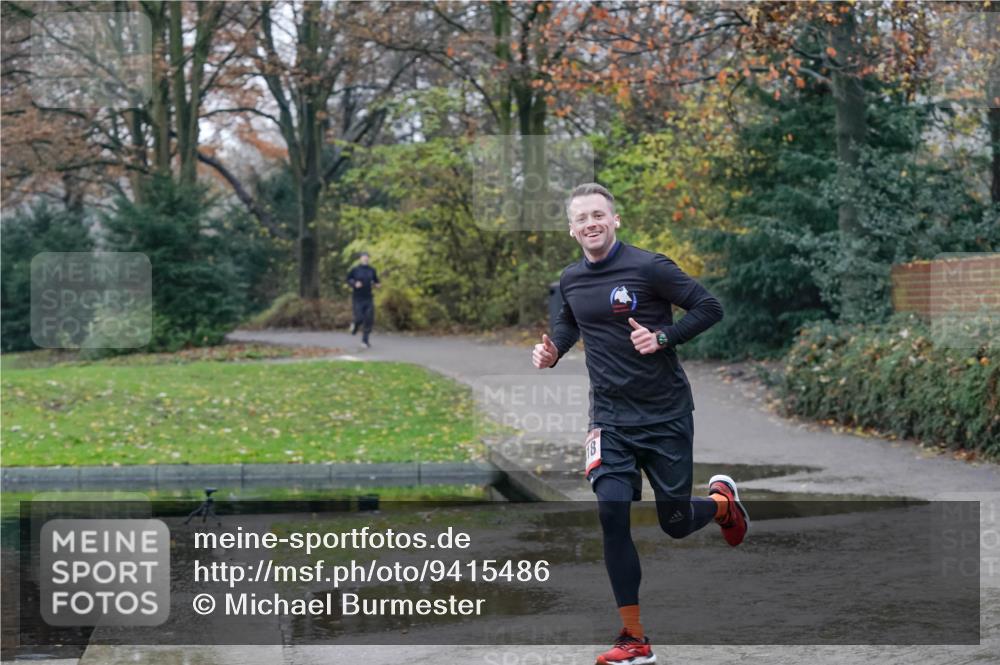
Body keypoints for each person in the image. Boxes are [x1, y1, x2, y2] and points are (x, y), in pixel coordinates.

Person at [531, 183, 748, 665]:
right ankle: (633, 639)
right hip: (609, 418)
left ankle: (720, 504)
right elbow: (569, 324)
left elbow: (710, 307)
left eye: (598, 214)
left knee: (673, 523)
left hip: (665, 414)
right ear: (571, 229)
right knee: (611, 513)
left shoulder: (649, 267)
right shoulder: (570, 279)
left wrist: (664, 337)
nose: (590, 223)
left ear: (615, 220)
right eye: (581, 217)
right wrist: (552, 350)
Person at [345, 251, 380, 347]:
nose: (365, 258)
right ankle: (355, 326)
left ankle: (365, 341)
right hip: (358, 298)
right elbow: (348, 279)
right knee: (359, 318)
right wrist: (354, 284)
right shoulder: (355, 269)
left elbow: (376, 280)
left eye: (367, 257)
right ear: (360, 259)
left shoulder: (372, 270)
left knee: (369, 319)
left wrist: (377, 285)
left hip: (368, 297)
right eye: (364, 257)